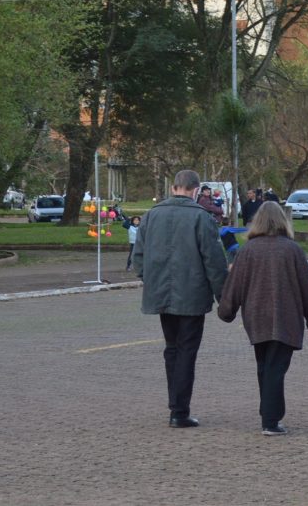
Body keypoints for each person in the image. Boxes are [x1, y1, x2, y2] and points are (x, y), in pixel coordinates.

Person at [132, 169, 228, 429]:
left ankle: (176, 406)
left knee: (172, 349)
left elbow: (138, 256)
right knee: (186, 351)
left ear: (174, 187)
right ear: (196, 190)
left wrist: (150, 278)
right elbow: (214, 262)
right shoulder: (201, 217)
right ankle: (179, 410)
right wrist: (225, 298)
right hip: (192, 295)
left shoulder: (152, 216)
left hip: (161, 293)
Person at [217, 201, 308, 436]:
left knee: (265, 365)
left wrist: (226, 311)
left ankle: (268, 413)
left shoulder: (248, 250)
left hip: (256, 316)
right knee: (276, 367)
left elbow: (235, 285)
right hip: (286, 316)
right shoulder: (292, 249)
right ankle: (271, 419)